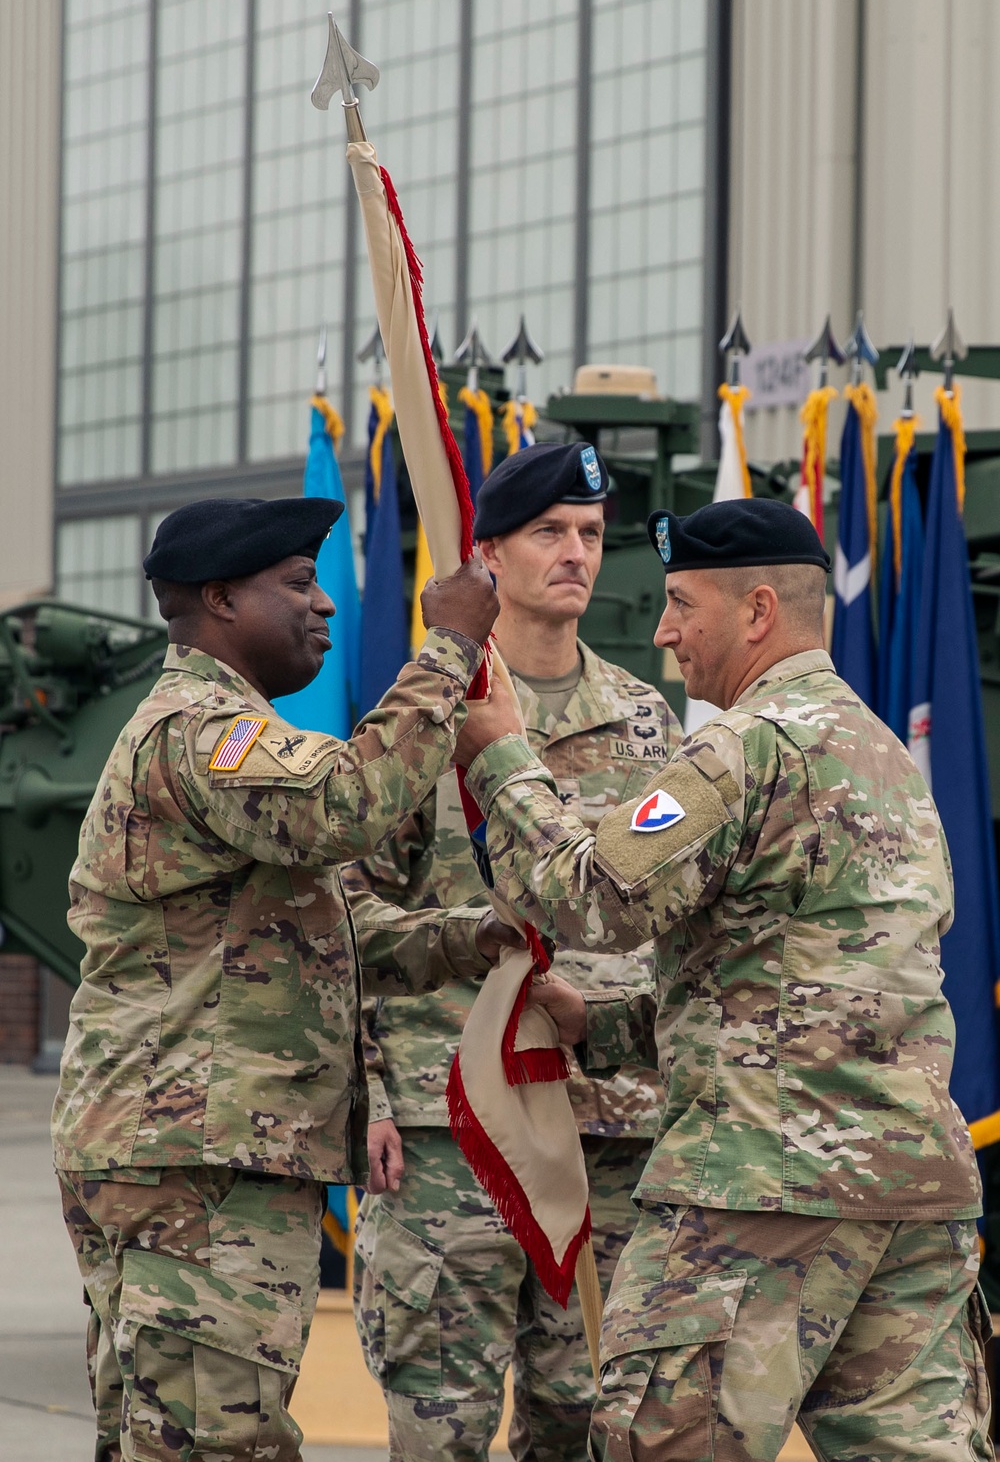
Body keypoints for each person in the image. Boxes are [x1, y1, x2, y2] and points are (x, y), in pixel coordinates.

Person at [454, 496, 991, 1462]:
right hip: (910, 1193)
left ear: (755, 611)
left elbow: (593, 897)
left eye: (680, 604)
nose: (662, 633)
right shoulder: (886, 758)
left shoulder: (747, 744)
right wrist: (607, 1027)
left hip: (759, 1190)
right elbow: (807, 985)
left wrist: (499, 756)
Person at [52, 495, 519, 1462]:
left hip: (199, 1151)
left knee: (171, 1436)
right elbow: (346, 805)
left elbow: (342, 934)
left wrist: (485, 940)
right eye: (299, 585)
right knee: (216, 1443)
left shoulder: (230, 738)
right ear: (220, 600)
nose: (327, 606)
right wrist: (450, 649)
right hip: (200, 1161)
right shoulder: (204, 731)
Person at [343, 441, 681, 1462]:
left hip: (608, 1132)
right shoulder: (426, 718)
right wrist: (371, 1094)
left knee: (590, 1421)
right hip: (456, 1128)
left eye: (590, 534)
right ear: (486, 553)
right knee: (438, 1423)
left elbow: (674, 916)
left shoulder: (645, 718)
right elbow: (342, 917)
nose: (577, 554)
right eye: (549, 533)